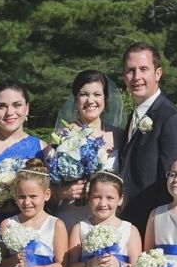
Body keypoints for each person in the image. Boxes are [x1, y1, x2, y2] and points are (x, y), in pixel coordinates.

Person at [119, 42, 177, 234]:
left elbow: (175, 183)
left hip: (153, 226)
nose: (137, 77)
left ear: (157, 73)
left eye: (143, 69)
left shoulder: (171, 119)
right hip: (130, 222)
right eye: (130, 71)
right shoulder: (133, 115)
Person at [51, 70, 126, 233]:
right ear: (76, 99)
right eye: (84, 94)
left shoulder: (119, 136)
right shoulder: (61, 136)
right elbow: (45, 189)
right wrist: (64, 192)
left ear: (105, 98)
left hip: (108, 220)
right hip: (70, 218)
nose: (90, 101)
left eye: (97, 94)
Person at [0, 81, 47, 225]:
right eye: (2, 106)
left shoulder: (42, 147)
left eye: (17, 105)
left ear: (27, 108)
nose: (9, 112)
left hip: (34, 228)